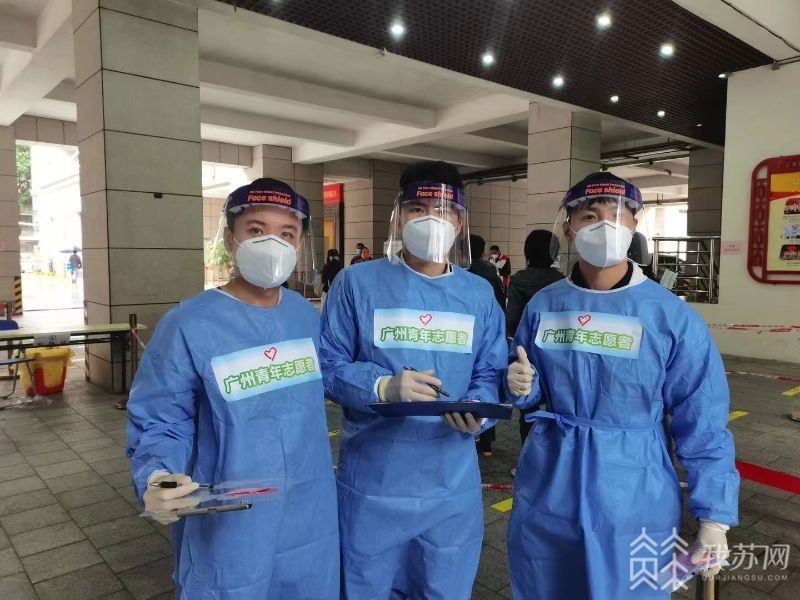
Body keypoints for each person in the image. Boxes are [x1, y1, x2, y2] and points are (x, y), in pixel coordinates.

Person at [505, 172, 738, 599]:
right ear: (569, 228)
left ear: (634, 224)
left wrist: (714, 517)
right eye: (589, 216)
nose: (603, 225)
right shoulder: (545, 305)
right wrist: (522, 387)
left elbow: (702, 417)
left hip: (634, 487)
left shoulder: (668, 315)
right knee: (548, 583)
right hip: (550, 478)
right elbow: (529, 385)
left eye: (615, 215)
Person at [126, 178, 339, 599]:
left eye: (287, 233)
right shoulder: (189, 324)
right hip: (229, 518)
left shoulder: (303, 315)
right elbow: (162, 418)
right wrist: (158, 475)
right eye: (256, 230)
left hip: (309, 512)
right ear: (230, 239)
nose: (272, 244)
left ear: (299, 245)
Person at [320, 161, 506, 599]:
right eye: (417, 208)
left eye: (442, 210)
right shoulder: (356, 283)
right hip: (373, 480)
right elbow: (327, 364)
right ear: (399, 215)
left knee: (443, 585)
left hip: (450, 483)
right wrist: (380, 386)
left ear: (459, 221)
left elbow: (490, 370)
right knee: (365, 584)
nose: (429, 219)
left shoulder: (478, 293)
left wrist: (478, 410)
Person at [505, 230, 564, 448]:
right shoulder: (562, 281)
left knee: (527, 407)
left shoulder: (519, 280)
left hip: (526, 353)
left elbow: (512, 319)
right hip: (557, 353)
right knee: (558, 404)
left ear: (527, 251)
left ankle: (529, 453)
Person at [467, 233, 505, 457]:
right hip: (489, 329)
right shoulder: (489, 270)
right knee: (486, 381)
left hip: (467, 335)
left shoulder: (460, 271)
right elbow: (500, 298)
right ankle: (486, 443)